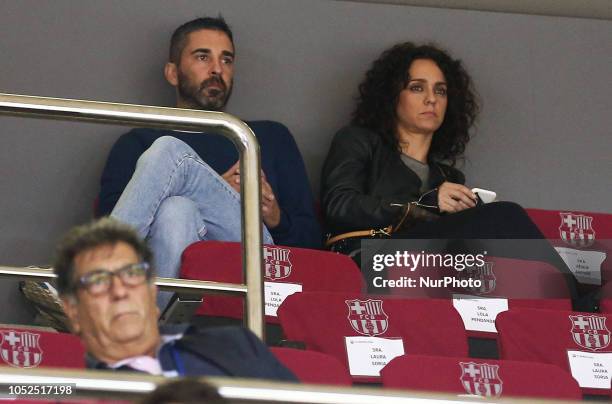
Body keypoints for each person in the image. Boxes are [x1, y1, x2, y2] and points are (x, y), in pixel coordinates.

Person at [320, 42, 582, 305]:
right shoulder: (357, 140)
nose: (431, 99)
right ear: (391, 96)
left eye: (441, 91)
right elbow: (339, 205)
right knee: (506, 214)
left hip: (429, 269)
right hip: (370, 258)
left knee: (492, 247)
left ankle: (564, 304)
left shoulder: (448, 177)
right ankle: (579, 300)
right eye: (417, 87)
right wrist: (422, 205)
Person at [97, 16, 321, 307]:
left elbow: (313, 243)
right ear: (173, 73)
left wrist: (275, 215)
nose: (217, 69)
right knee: (176, 209)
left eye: (226, 60)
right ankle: (158, 332)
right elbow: (110, 219)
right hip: (160, 273)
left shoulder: (265, 137)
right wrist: (207, 189)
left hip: (257, 262)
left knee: (168, 151)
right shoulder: (137, 143)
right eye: (203, 57)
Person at [54, 218, 297, 381]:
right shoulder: (75, 392)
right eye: (98, 281)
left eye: (132, 273)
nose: (120, 291)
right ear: (72, 311)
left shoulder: (236, 345)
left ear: (151, 289)